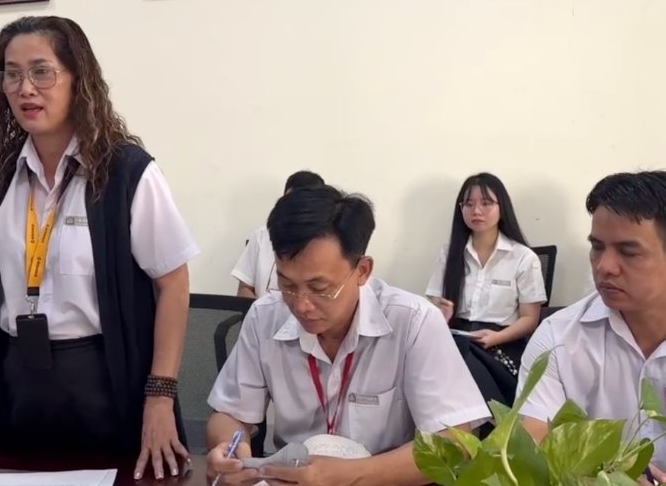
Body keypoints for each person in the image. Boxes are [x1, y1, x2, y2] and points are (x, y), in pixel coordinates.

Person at [0, 16, 200, 481]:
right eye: (12, 74)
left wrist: (160, 396)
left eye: (41, 72)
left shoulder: (126, 174)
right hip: (19, 383)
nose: (25, 88)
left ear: (78, 79)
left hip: (107, 382)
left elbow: (172, 284)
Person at [207, 186, 490, 486]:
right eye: (287, 284)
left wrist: (351, 475)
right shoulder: (265, 317)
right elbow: (228, 415)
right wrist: (230, 449)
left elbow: (456, 442)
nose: (301, 305)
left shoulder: (414, 321)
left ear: (362, 270)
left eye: (319, 288)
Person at [517, 171, 666, 483]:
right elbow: (531, 446)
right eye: (597, 247)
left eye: (628, 252)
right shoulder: (557, 338)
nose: (604, 266)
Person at [425, 173, 546, 405]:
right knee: (448, 357)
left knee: (461, 365)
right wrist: (442, 315)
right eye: (468, 204)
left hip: (501, 344)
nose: (476, 211)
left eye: (486, 203)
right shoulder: (449, 254)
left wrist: (497, 337)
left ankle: (472, 420)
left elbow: (530, 319)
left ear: (502, 207)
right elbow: (434, 307)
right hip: (456, 338)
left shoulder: (523, 258)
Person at [232, 170, 324, 299]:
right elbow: (244, 288)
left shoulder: (326, 242)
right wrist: (261, 310)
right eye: (291, 201)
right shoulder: (261, 236)